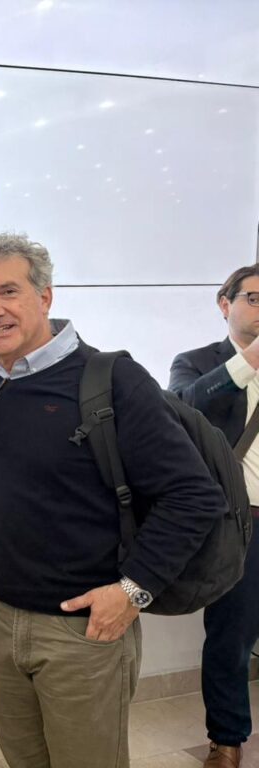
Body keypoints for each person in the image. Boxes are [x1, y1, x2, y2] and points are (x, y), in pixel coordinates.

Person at [0, 232, 226, 768]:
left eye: (8, 291)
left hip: (83, 630)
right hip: (4, 620)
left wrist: (133, 591)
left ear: (45, 296)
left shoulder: (112, 380)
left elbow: (194, 495)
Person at [169, 264, 259, 768]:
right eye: (254, 298)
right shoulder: (197, 362)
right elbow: (181, 409)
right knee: (232, 636)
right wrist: (249, 361)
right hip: (242, 525)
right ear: (225, 304)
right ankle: (227, 739)